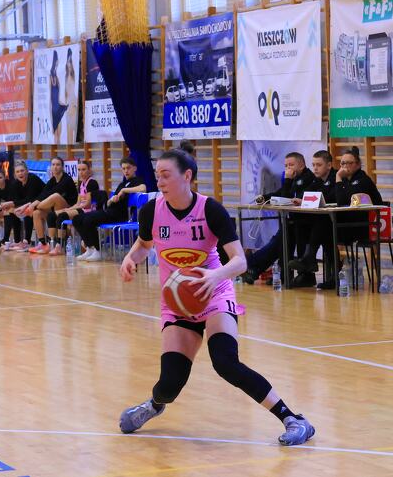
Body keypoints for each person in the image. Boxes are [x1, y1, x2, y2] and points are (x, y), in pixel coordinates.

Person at [118, 149, 315, 446]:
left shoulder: (210, 210)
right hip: (178, 303)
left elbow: (240, 262)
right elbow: (144, 245)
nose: (160, 181)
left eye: (166, 175)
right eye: (157, 176)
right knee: (169, 384)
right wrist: (130, 258)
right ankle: (155, 405)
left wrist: (214, 276)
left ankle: (294, 419)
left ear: (187, 176)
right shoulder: (151, 211)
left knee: (225, 362)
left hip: (214, 294)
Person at [289, 146, 382, 286]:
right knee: (319, 225)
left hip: (365, 227)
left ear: (358, 164)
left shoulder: (362, 180)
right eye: (342, 163)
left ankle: (312, 259)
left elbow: (342, 201)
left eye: (349, 163)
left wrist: (338, 177)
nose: (345, 166)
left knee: (325, 224)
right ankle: (331, 275)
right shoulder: (346, 180)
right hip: (349, 223)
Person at [242, 152, 315, 286]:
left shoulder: (308, 178)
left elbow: (286, 199)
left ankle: (252, 266)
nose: (288, 168)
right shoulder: (294, 178)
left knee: (280, 239)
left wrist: (287, 180)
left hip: (307, 223)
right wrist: (264, 198)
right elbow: (280, 193)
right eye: (286, 166)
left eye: (291, 165)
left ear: (301, 165)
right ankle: (259, 269)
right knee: (280, 239)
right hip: (293, 222)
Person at [72, 156, 146, 262]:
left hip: (119, 214)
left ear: (135, 168)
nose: (126, 171)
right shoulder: (122, 183)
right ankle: (90, 248)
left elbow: (143, 188)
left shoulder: (137, 181)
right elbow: (109, 202)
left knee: (88, 220)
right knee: (77, 219)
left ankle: (99, 250)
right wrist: (111, 200)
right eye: (123, 168)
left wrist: (124, 190)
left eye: (128, 168)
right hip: (109, 211)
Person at [288, 150, 338, 289]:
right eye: (314, 165)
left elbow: (332, 197)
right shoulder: (317, 180)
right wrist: (301, 199)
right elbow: (308, 193)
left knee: (322, 224)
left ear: (329, 165)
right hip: (328, 222)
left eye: (319, 165)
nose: (315, 168)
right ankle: (307, 264)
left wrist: (309, 199)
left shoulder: (336, 177)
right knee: (300, 224)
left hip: (343, 222)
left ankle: (309, 258)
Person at [16, 156, 77, 254]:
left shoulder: (67, 179)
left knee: (55, 196)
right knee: (36, 213)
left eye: (58, 165)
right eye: (53, 164)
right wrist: (30, 205)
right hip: (55, 209)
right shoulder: (52, 180)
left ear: (62, 167)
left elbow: (52, 192)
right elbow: (43, 194)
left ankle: (59, 244)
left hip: (70, 209)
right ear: (51, 167)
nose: (55, 167)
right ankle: (44, 244)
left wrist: (31, 206)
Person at [46, 160, 100, 255]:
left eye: (83, 169)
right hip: (81, 209)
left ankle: (60, 246)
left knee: (62, 216)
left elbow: (87, 204)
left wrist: (70, 209)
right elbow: (78, 203)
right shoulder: (81, 184)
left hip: (89, 211)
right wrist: (68, 209)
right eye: (79, 170)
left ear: (89, 170)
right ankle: (51, 243)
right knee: (52, 215)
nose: (81, 172)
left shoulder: (92, 183)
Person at [0, 161, 44, 251]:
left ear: (27, 171)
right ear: (15, 174)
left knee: (27, 210)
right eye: (18, 172)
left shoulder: (33, 179)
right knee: (12, 210)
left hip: (42, 204)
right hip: (30, 204)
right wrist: (10, 206)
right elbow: (15, 200)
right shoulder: (16, 184)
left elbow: (29, 199)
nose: (20, 173)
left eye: (22, 171)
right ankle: (17, 240)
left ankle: (26, 241)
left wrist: (12, 203)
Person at [50, 50, 69, 140]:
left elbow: (57, 96)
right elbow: (50, 97)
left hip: (57, 106)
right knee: (56, 132)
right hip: (54, 108)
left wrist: (62, 103)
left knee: (59, 132)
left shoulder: (56, 77)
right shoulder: (51, 77)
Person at [64, 48, 78, 144]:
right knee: (68, 130)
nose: (69, 64)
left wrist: (74, 104)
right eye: (68, 62)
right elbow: (66, 93)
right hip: (68, 104)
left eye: (70, 62)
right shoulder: (66, 76)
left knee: (73, 129)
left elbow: (74, 91)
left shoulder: (74, 76)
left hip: (73, 103)